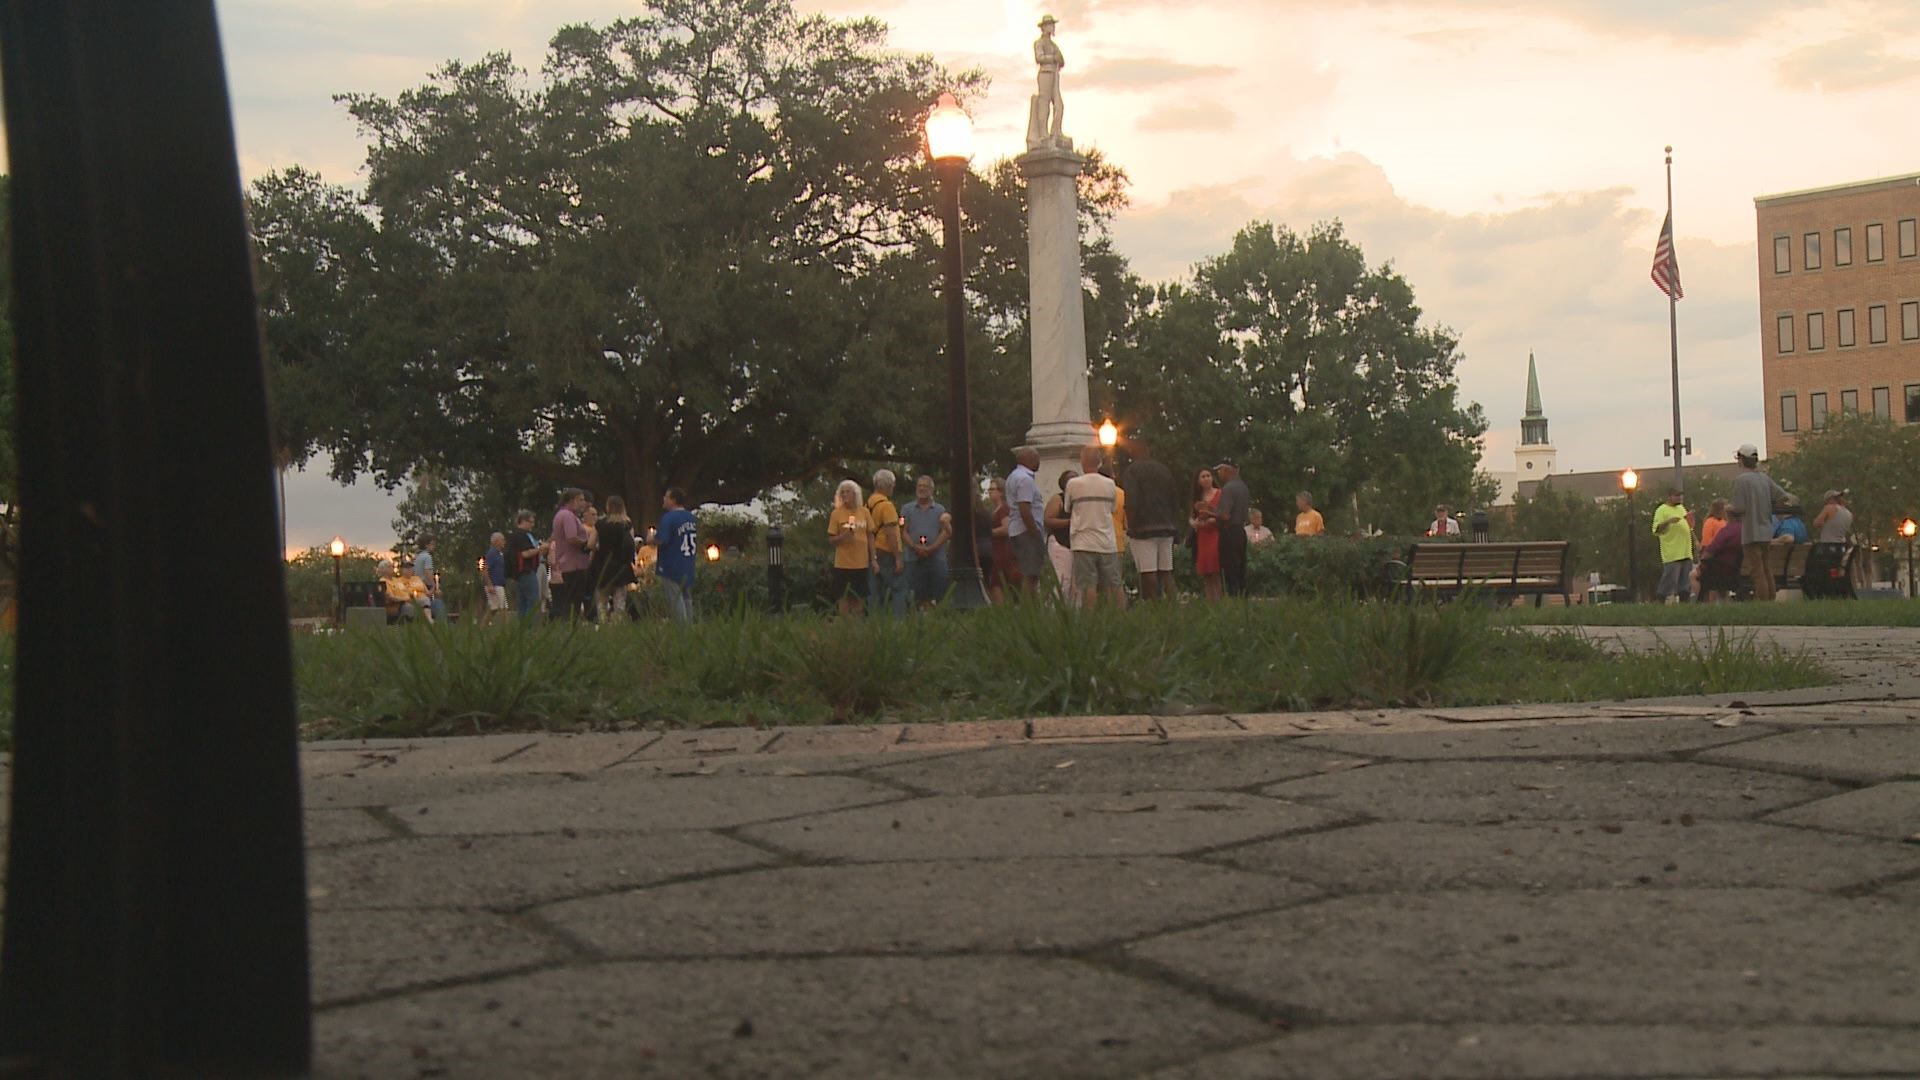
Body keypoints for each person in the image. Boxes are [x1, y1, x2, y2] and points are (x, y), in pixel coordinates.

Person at [1732, 443, 1793, 603]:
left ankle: (1762, 600)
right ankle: (1771, 598)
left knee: (1756, 570)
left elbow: (1739, 508)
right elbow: (1783, 496)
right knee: (1766, 568)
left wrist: (1728, 508)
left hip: (1751, 532)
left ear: (1742, 460)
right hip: (1766, 530)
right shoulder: (1764, 478)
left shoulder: (1741, 480)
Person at [1065, 444, 1125, 607]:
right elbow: (1112, 509)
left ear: (1082, 461)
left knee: (1087, 585)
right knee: (1114, 584)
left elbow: (1067, 508)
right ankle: (1121, 618)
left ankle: (1089, 622)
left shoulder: (1073, 484)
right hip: (1107, 541)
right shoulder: (1110, 484)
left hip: (1083, 541)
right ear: (1099, 462)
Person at [1120, 439, 1178, 601]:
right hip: (1166, 527)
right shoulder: (1164, 470)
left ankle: (1152, 608)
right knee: (1166, 572)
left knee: (1148, 573)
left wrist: (1130, 525)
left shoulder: (1132, 471)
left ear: (1133, 452)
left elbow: (1132, 500)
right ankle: (1174, 606)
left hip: (1143, 528)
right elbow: (1174, 498)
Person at [901, 475, 952, 610]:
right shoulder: (906, 509)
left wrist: (932, 548)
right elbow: (902, 530)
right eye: (919, 486)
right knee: (914, 595)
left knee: (938, 593)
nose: (922, 489)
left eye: (925, 486)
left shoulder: (941, 510)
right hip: (913, 558)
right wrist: (914, 546)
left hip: (936, 558)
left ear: (932, 490)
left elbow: (945, 532)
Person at [826, 479, 875, 617]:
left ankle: (858, 630)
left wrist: (874, 559)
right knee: (844, 600)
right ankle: (845, 629)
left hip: (861, 564)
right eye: (843, 492)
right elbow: (831, 540)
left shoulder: (864, 512)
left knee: (859, 600)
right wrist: (844, 536)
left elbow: (870, 536)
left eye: (848, 492)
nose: (845, 495)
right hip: (843, 565)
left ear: (855, 494)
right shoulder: (836, 514)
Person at [1005, 447, 1046, 595]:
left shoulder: (1014, 476)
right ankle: (1028, 609)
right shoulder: (1025, 479)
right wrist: (1034, 532)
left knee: (1029, 573)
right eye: (1037, 458)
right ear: (1029, 460)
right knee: (1031, 574)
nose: (1039, 462)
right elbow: (1024, 509)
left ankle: (1029, 607)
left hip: (1017, 529)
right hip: (1026, 531)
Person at [590, 496, 638, 621]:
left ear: (608, 506)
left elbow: (590, 544)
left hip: (603, 564)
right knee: (620, 599)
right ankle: (617, 623)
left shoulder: (600, 523)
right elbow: (631, 544)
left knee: (601, 598)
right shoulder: (627, 523)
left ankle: (603, 623)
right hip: (622, 565)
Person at [549, 488, 594, 620]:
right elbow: (571, 538)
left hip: (567, 562)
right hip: (573, 563)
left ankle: (569, 624)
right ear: (572, 500)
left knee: (570, 600)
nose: (583, 503)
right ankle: (570, 625)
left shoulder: (561, 515)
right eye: (580, 500)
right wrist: (587, 545)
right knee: (574, 600)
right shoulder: (567, 516)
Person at [867, 469, 907, 616]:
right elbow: (891, 533)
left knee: (875, 591)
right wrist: (898, 558)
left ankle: (875, 623)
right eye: (893, 484)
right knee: (898, 588)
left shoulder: (867, 504)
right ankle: (899, 623)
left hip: (872, 552)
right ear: (888, 485)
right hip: (887, 551)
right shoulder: (887, 506)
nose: (893, 487)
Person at [655, 488, 698, 624]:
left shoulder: (669, 518)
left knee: (675, 599)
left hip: (671, 565)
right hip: (688, 564)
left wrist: (651, 538)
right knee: (686, 598)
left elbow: (662, 540)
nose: (664, 499)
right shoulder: (691, 518)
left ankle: (682, 633)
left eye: (666, 497)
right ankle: (690, 629)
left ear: (673, 500)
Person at [1651, 486, 1695, 604]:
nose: (1679, 498)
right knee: (1670, 579)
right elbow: (1656, 529)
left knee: (1685, 581)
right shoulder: (1662, 510)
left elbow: (1688, 527)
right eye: (1676, 496)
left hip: (1686, 551)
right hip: (1672, 552)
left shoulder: (1681, 508)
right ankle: (1660, 600)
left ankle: (1684, 602)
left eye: (1680, 496)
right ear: (1669, 497)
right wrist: (1668, 521)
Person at [1695, 505, 1747, 603]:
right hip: (1742, 570)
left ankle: (1703, 605)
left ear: (1729, 516)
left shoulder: (1727, 531)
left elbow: (1709, 552)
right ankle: (1723, 603)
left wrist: (1701, 563)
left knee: (1694, 575)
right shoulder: (1748, 531)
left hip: (1724, 570)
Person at [1214, 460, 1251, 597]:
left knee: (1230, 571)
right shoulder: (1243, 487)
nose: (1218, 473)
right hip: (1240, 531)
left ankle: (1233, 600)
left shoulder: (1228, 488)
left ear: (1228, 470)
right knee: (1241, 569)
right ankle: (1242, 600)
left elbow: (1224, 515)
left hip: (1229, 532)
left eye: (1220, 470)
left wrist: (1210, 513)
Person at [987, 477, 1022, 602]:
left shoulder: (1003, 510)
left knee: (997, 584)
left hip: (1004, 552)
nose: (990, 492)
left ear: (1001, 491)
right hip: (996, 551)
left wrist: (989, 533)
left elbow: (1007, 528)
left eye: (993, 489)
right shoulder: (994, 510)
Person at [1190, 467, 1223, 601]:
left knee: (1216, 571)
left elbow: (1223, 515)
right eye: (1203, 476)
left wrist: (1211, 519)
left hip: (1215, 534)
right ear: (1198, 481)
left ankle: (1220, 600)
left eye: (1208, 475)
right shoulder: (1197, 498)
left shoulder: (1220, 494)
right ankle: (1210, 602)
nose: (1206, 478)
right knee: (1206, 573)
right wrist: (1194, 523)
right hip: (1202, 536)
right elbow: (1191, 517)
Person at [506, 510, 546, 619]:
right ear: (523, 521)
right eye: (531, 522)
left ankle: (522, 629)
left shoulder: (519, 535)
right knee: (533, 601)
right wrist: (540, 548)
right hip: (526, 570)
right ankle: (529, 627)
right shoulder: (520, 535)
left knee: (523, 603)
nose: (533, 525)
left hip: (520, 573)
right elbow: (525, 553)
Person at [1043, 471, 1076, 598]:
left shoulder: (1080, 500)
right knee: (1063, 581)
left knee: (1076, 584)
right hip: (1060, 544)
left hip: (1077, 545)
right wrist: (1070, 522)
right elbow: (1048, 520)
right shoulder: (1058, 499)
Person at [412, 537, 446, 624]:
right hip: (426, 586)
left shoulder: (417, 557)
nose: (433, 546)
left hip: (417, 585)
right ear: (426, 545)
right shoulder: (427, 557)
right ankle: (441, 624)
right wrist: (434, 587)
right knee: (435, 604)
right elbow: (428, 572)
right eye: (432, 544)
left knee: (425, 607)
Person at [481, 532, 509, 625]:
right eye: (503, 540)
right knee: (503, 608)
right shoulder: (491, 553)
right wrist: (489, 584)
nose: (504, 542)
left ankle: (482, 627)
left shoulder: (499, 554)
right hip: (494, 585)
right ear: (497, 541)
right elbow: (484, 569)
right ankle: (506, 630)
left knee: (494, 609)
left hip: (499, 584)